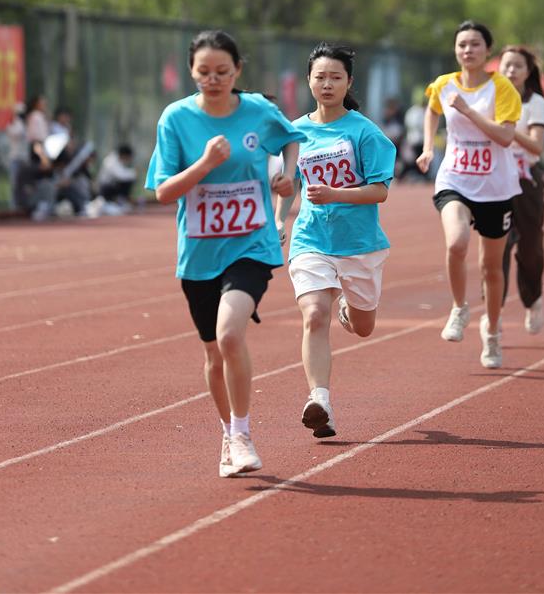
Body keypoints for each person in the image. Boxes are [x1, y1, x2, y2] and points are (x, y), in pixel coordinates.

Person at [145, 29, 305, 477]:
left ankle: (242, 434)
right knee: (214, 354)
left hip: (250, 243)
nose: (212, 79)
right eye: (203, 72)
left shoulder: (257, 110)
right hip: (198, 254)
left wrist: (287, 178)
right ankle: (226, 433)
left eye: (222, 71)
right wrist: (206, 164)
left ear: (237, 70)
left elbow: (290, 138)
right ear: (192, 72)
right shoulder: (175, 119)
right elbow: (163, 192)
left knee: (232, 334)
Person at [275, 42, 396, 440]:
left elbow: (379, 191)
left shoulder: (364, 132)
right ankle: (320, 400)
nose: (327, 84)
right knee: (313, 315)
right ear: (309, 80)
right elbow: (289, 183)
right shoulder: (295, 132)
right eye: (320, 76)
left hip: (360, 243)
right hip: (311, 239)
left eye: (335, 77)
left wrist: (336, 194)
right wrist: (279, 219)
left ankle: (351, 307)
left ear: (348, 83)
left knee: (363, 328)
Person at [416, 20, 522, 369]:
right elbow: (431, 110)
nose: (468, 50)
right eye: (462, 44)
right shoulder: (444, 84)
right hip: (455, 179)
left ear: (487, 51)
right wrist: (429, 147)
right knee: (456, 243)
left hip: (495, 186)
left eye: (475, 44)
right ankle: (459, 308)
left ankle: (491, 332)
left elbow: (505, 138)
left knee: (491, 267)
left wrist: (468, 111)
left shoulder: (502, 88)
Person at [499, 45, 544, 335]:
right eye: (506, 65)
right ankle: (495, 313)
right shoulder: (491, 98)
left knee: (530, 249)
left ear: (528, 71)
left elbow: (536, 145)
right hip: (495, 180)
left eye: (517, 66)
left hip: (526, 181)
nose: (511, 71)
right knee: (497, 247)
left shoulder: (535, 103)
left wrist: (505, 129)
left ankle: (533, 298)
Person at [89, 144, 138, 215]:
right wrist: (134, 173)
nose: (128, 161)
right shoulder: (111, 161)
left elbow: (124, 173)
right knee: (128, 180)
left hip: (112, 187)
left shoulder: (118, 160)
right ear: (124, 155)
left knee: (129, 179)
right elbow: (121, 175)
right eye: (128, 158)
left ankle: (120, 201)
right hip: (104, 188)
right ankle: (114, 201)